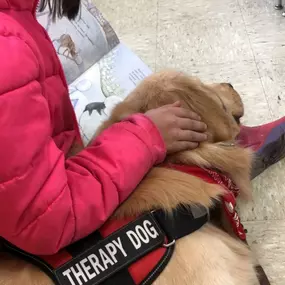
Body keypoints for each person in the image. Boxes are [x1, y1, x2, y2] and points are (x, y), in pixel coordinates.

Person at [0, 0, 208, 255]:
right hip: (43, 228)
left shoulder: (14, 19)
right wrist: (146, 136)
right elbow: (47, 218)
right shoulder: (7, 48)